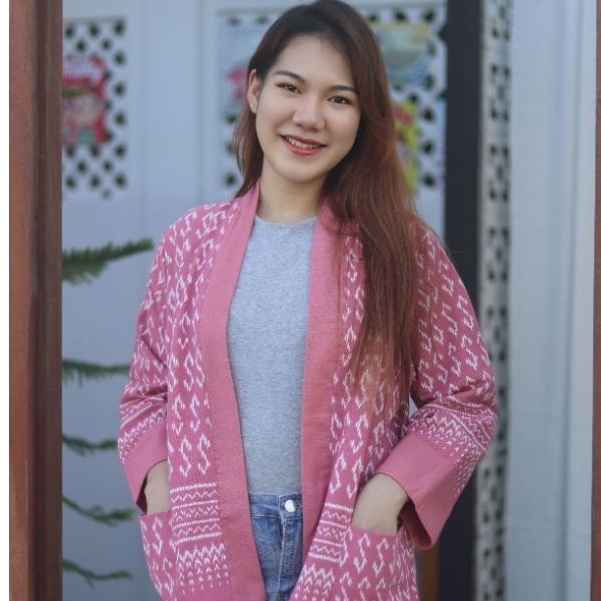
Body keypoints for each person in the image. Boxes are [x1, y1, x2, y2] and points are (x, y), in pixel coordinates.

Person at [118, 1, 498, 600]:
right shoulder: (189, 243)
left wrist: (385, 497)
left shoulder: (399, 249)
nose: (309, 116)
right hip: (207, 545)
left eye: (339, 99)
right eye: (291, 88)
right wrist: (160, 485)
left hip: (347, 548)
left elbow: (465, 399)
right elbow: (146, 395)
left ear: (363, 118)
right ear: (254, 90)